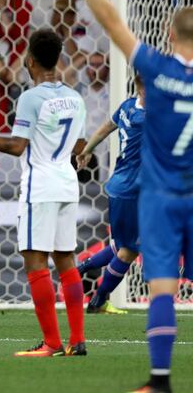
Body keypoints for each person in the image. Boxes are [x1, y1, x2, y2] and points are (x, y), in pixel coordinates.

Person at [56, 0, 193, 393]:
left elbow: (112, 21)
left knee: (160, 287)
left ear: (171, 36)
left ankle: (159, 380)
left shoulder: (155, 69)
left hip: (160, 197)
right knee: (128, 251)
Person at [0, 29, 88, 357]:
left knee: (35, 260)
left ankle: (52, 342)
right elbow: (79, 146)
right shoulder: (75, 97)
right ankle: (76, 340)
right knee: (66, 259)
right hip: (68, 184)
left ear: (30, 60)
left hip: (41, 186)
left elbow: (16, 145)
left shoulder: (30, 98)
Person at [76, 74, 145, 315]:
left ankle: (80, 269)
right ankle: (99, 300)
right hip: (133, 190)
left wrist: (87, 149)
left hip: (120, 185)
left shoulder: (127, 106)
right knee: (130, 249)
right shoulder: (148, 118)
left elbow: (106, 127)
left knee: (122, 244)